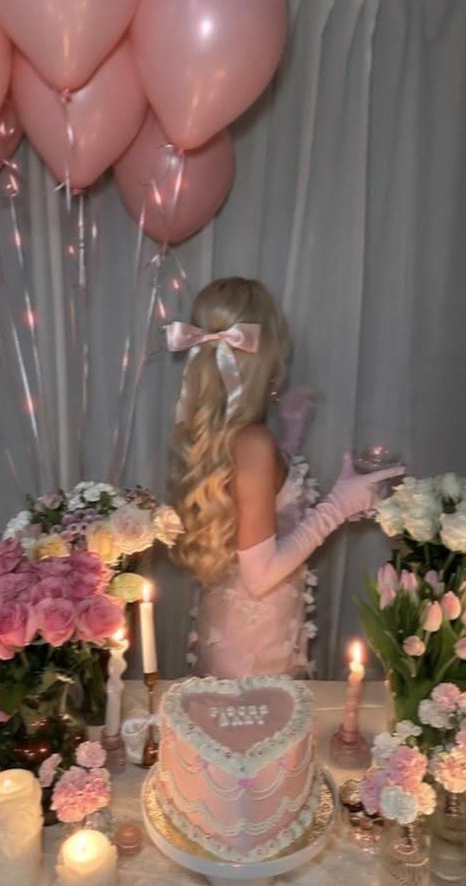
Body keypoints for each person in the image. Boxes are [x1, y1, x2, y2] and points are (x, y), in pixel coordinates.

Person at [167, 277, 402, 678]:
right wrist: (338, 506)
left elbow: (251, 500)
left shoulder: (231, 432)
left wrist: (289, 440)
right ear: (268, 353)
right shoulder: (253, 442)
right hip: (253, 646)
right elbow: (260, 577)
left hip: (231, 624)